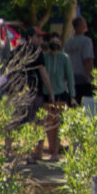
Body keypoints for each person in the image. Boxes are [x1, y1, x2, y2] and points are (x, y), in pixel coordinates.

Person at [38, 33, 76, 161]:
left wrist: (72, 95)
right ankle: (51, 149)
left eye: (57, 42)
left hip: (60, 93)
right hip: (47, 94)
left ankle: (56, 152)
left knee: (58, 123)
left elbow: (70, 78)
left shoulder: (64, 58)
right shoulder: (45, 57)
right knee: (49, 124)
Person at [65, 17, 97, 98]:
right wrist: (91, 78)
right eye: (84, 23)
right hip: (83, 79)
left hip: (71, 79)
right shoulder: (86, 41)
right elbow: (87, 60)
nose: (86, 25)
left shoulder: (68, 42)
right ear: (80, 26)